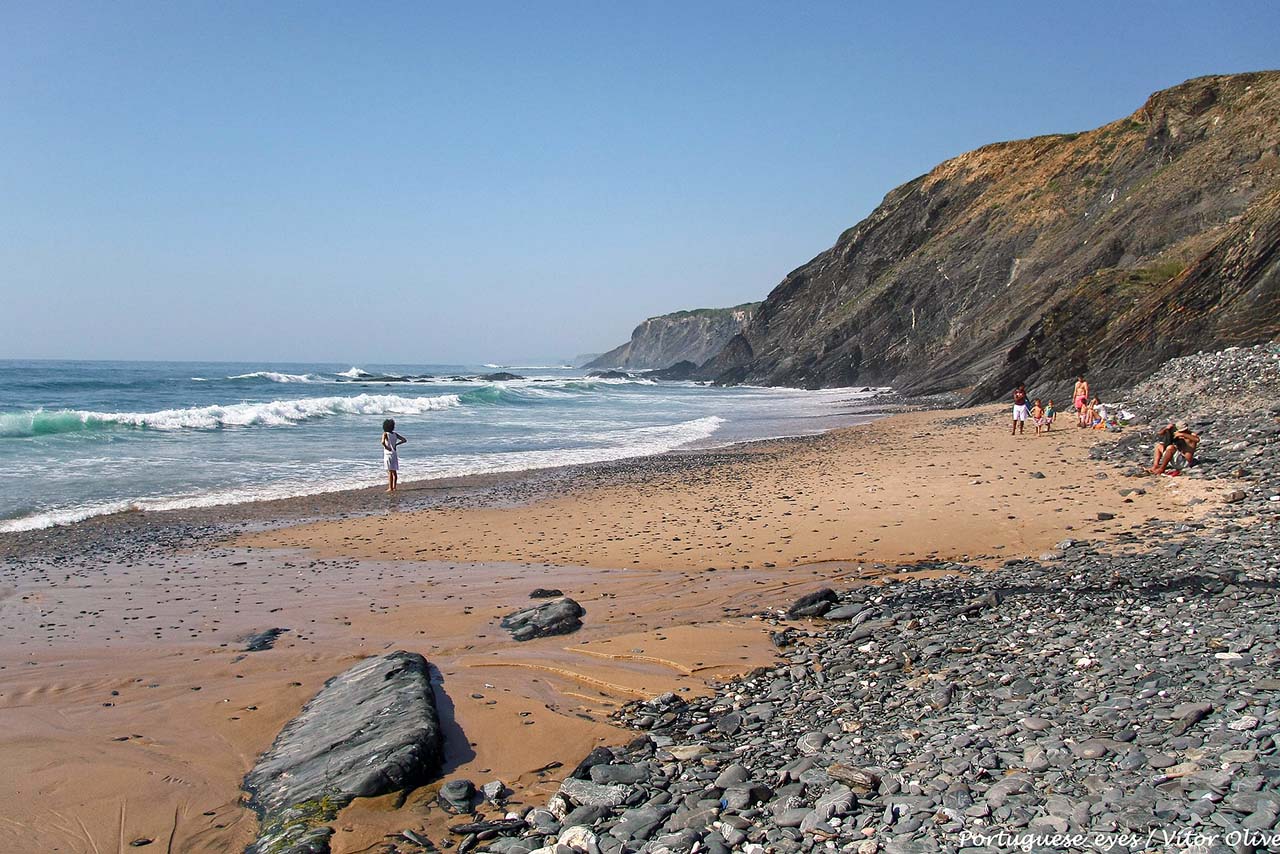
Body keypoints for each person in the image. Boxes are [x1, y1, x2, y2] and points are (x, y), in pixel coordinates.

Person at [381, 418, 407, 492]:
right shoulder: (395, 434)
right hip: (394, 453)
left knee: (389, 471)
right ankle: (394, 487)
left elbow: (382, 442)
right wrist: (396, 444)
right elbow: (404, 440)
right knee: (394, 471)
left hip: (388, 454)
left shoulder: (385, 434)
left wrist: (387, 447)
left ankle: (390, 487)